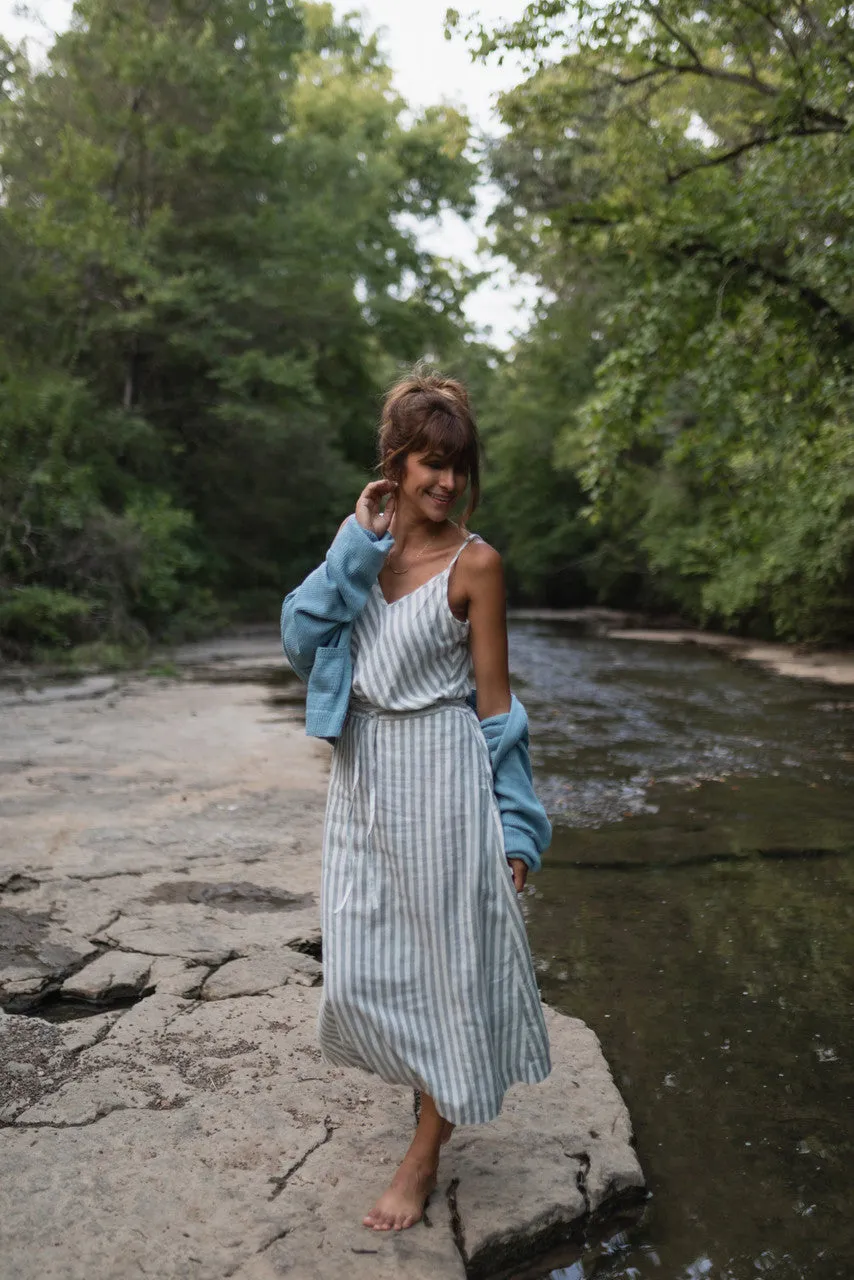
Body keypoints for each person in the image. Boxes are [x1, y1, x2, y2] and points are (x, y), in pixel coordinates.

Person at [280, 370, 552, 1233]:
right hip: (365, 786)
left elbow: (499, 711)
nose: (445, 482)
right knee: (362, 970)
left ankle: (425, 1151)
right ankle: (428, 1094)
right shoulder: (358, 553)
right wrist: (353, 548)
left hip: (444, 786)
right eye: (430, 464)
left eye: (457, 466)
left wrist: (516, 833)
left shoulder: (478, 566)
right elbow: (298, 640)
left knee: (447, 976)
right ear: (393, 464)